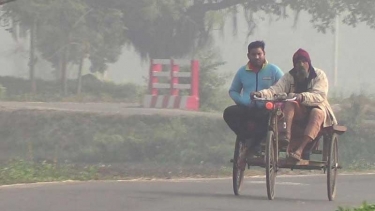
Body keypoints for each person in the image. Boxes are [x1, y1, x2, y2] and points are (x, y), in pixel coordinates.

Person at [252, 48, 337, 160]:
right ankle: (286, 136)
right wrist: (260, 94)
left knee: (317, 112)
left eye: (303, 61)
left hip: (317, 108)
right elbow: (275, 90)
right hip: (297, 112)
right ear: (294, 65)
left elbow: (320, 95)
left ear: (309, 63)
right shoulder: (289, 76)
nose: (301, 64)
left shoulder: (319, 75)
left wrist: (302, 96)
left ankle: (300, 150)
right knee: (290, 102)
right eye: (298, 62)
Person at [223, 40, 284, 157]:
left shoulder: (274, 70)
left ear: (264, 54)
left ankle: (254, 145)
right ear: (248, 55)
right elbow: (233, 91)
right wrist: (242, 101)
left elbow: (285, 87)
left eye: (259, 54)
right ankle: (246, 138)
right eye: (253, 54)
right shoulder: (242, 72)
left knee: (266, 120)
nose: (256, 57)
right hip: (247, 108)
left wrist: (277, 102)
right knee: (228, 113)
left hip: (267, 108)